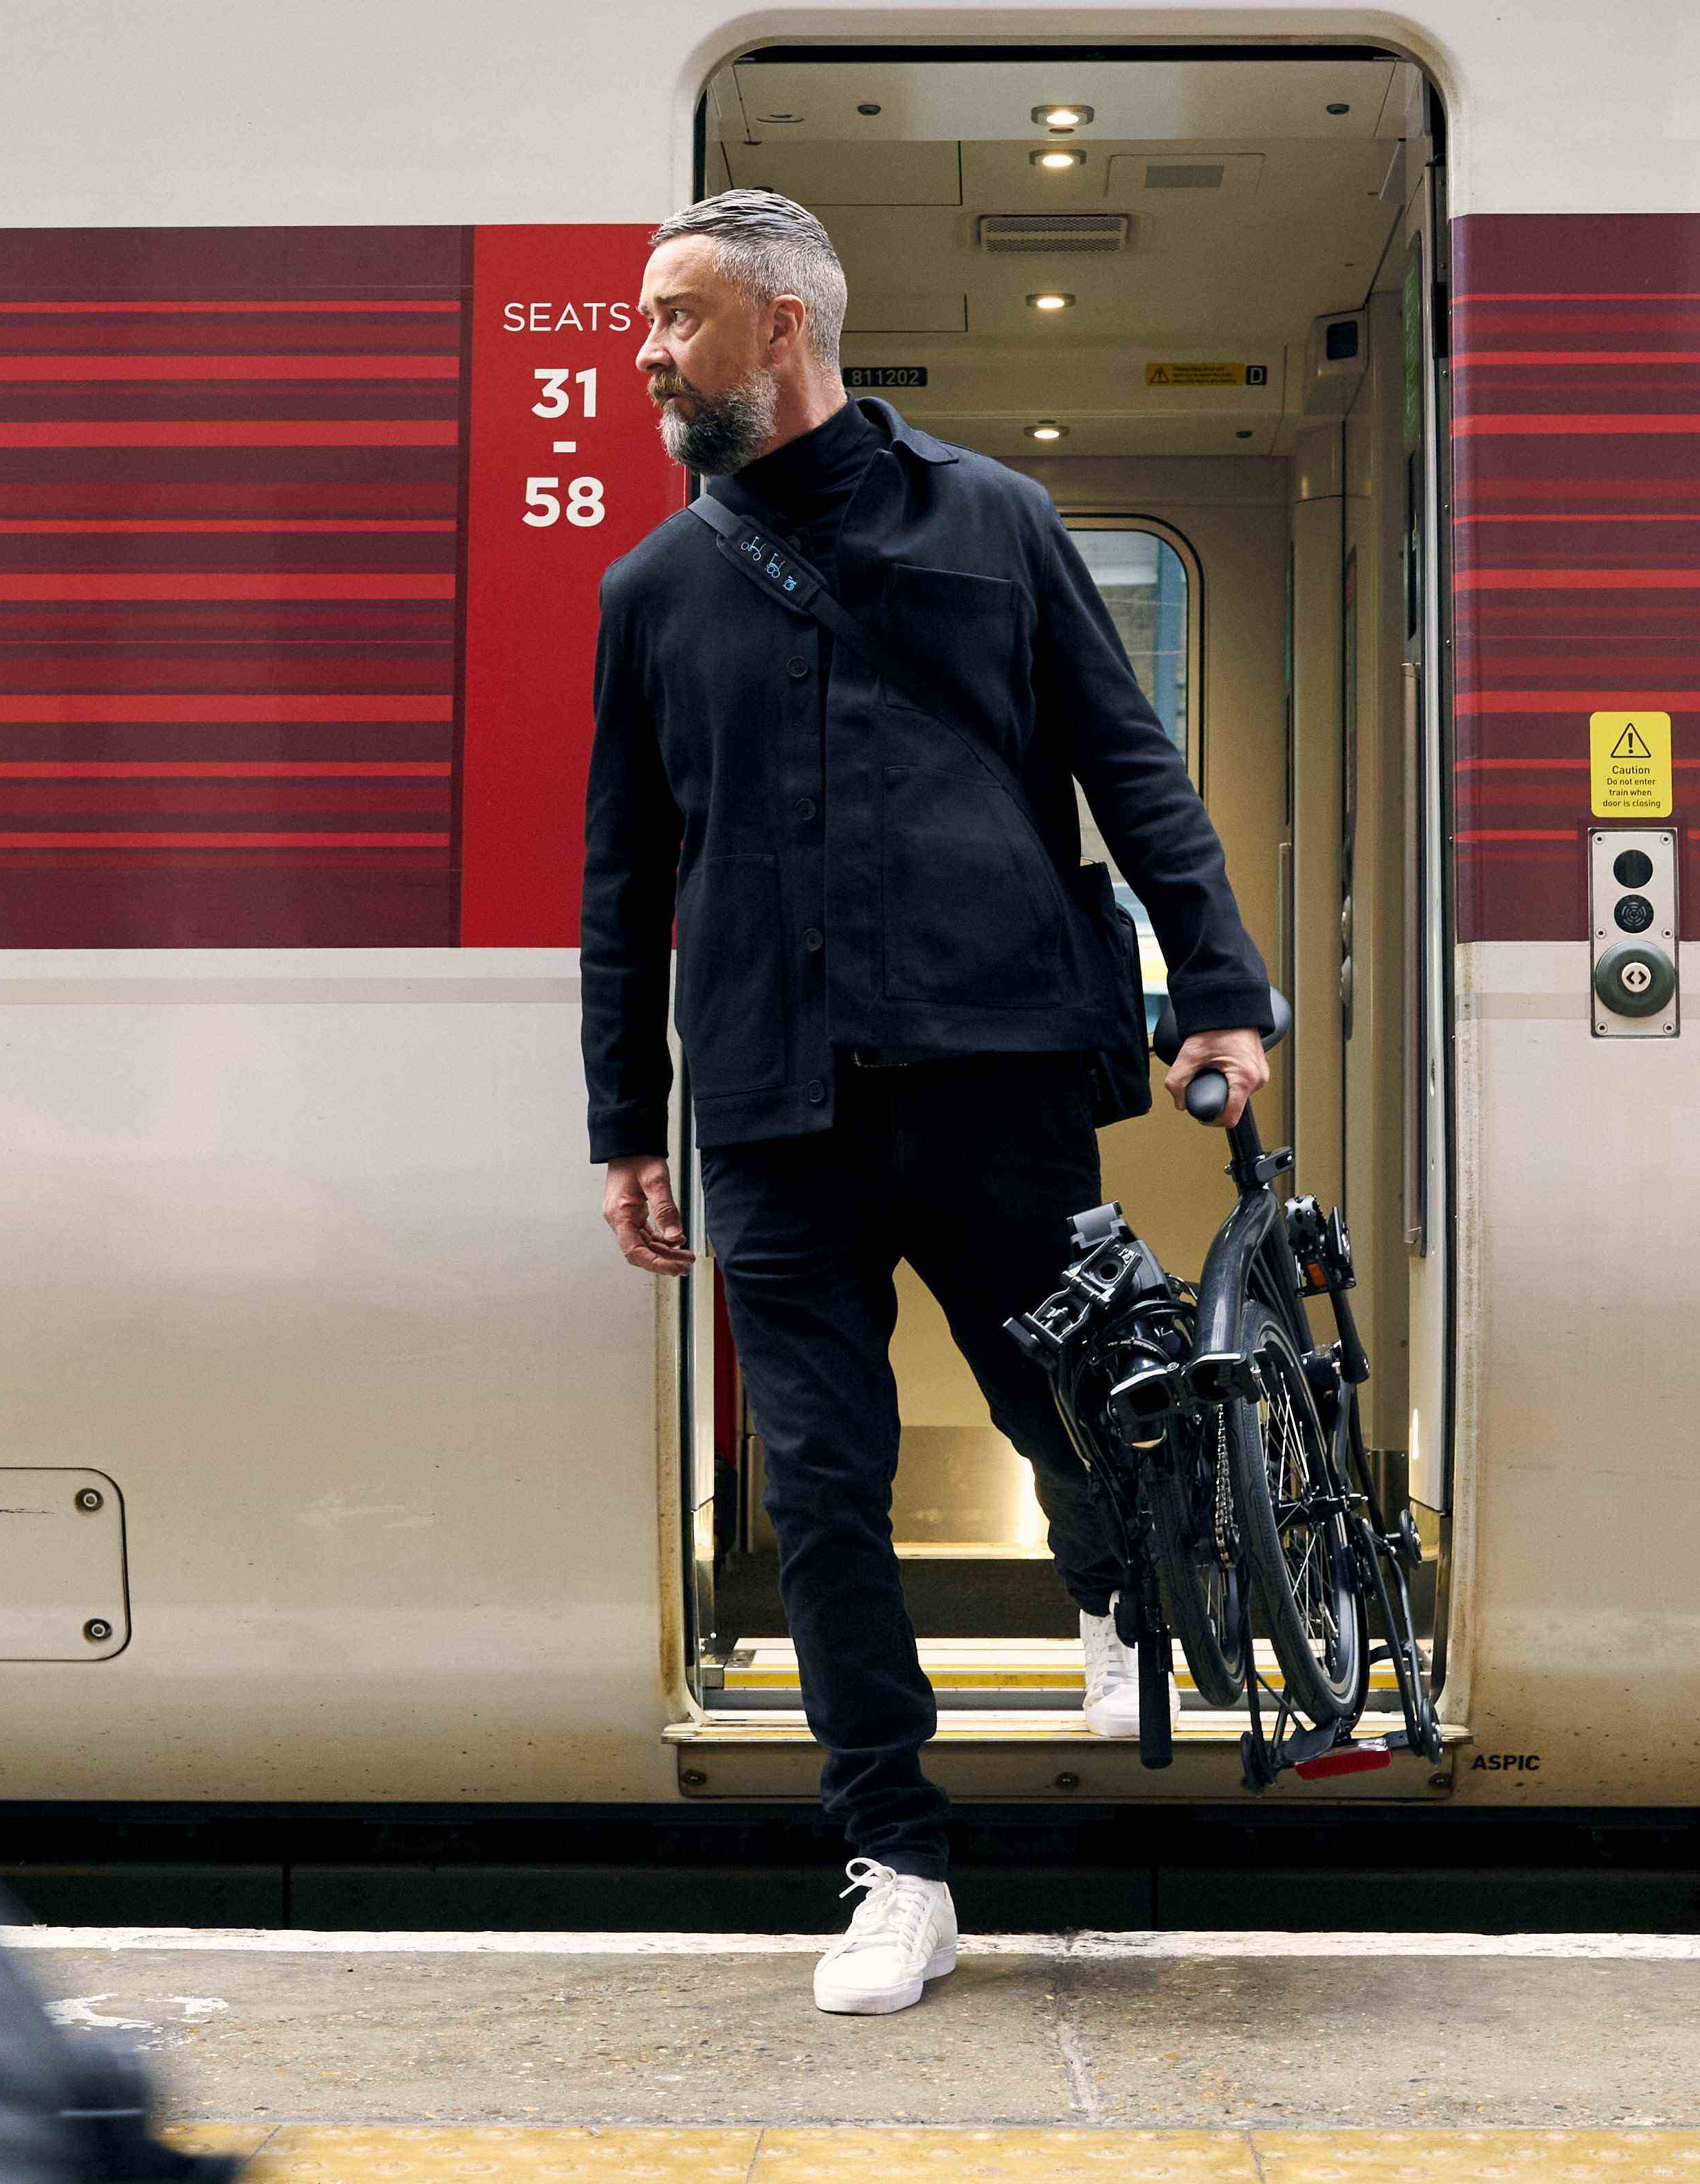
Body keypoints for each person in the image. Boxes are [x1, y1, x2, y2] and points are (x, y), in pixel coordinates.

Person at [581, 191, 1277, 2016]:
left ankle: (1114, 1593)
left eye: (673, 319)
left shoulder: (992, 521)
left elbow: (1129, 761)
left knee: (1079, 1405)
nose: (641, 351)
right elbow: (622, 883)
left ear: (784, 331)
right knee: (823, 1487)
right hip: (773, 1103)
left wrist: (1219, 987)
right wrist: (622, 1124)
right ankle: (896, 1863)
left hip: (996, 1069)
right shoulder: (649, 594)